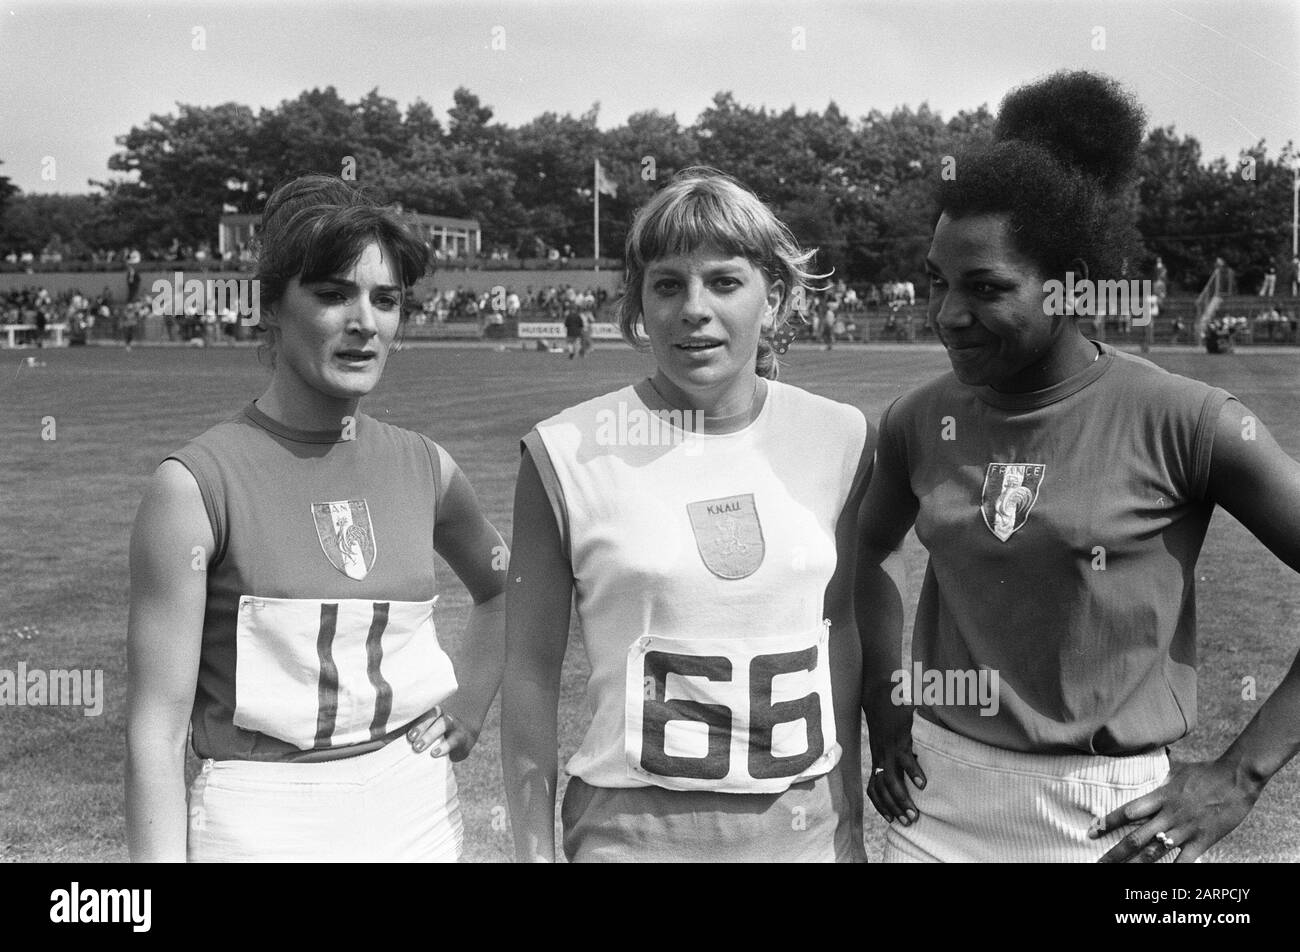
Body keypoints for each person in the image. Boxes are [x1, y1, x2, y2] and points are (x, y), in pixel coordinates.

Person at [856, 71, 1300, 863]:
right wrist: (886, 703)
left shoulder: (1189, 420)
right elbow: (861, 554)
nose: (948, 314)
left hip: (1108, 819)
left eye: (986, 288)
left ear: (1067, 287)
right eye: (939, 281)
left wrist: (1241, 775)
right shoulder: (921, 419)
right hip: (935, 800)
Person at [125, 174, 507, 862]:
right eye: (332, 295)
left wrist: (469, 708)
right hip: (260, 820)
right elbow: (156, 730)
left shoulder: (427, 467)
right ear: (272, 306)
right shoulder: (193, 486)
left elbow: (508, 587)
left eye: (385, 300)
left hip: (417, 809)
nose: (365, 321)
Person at [501, 168, 875, 863]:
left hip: (799, 838)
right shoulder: (564, 451)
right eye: (668, 284)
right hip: (627, 840)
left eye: (725, 282)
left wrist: (847, 815)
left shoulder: (841, 437)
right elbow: (528, 672)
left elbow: (841, 629)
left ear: (777, 297)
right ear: (639, 303)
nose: (693, 308)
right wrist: (530, 852)